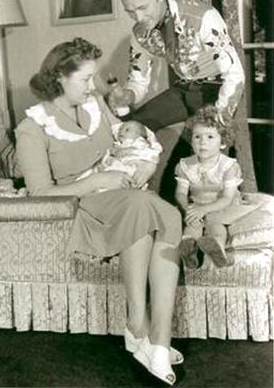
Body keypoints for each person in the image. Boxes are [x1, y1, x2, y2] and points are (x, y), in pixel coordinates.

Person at [15, 37, 183, 385]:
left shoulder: (94, 104)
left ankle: (156, 340)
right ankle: (142, 329)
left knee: (164, 215)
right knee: (149, 209)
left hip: (122, 194)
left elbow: (126, 138)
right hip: (83, 204)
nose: (92, 86)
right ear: (60, 77)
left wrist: (144, 166)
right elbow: (40, 193)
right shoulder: (32, 128)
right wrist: (97, 181)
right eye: (85, 79)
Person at [108, 0, 245, 132]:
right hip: (183, 89)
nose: (138, 18)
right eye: (130, 11)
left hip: (215, 89)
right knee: (133, 127)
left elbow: (234, 75)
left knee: (202, 147)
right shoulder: (139, 33)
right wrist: (127, 96)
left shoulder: (203, 16)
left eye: (143, 7)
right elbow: (138, 81)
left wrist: (218, 118)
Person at [174, 105, 259, 269]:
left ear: (223, 143)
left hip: (222, 205)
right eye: (197, 136)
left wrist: (205, 210)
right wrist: (189, 209)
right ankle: (189, 250)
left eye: (210, 137)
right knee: (192, 225)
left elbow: (227, 198)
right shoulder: (185, 165)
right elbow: (180, 193)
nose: (202, 142)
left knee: (215, 225)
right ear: (191, 141)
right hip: (198, 205)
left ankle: (218, 249)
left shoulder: (228, 166)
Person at [98, 120, 162, 190]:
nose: (121, 132)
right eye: (120, 130)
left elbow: (152, 154)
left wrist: (131, 151)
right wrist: (114, 151)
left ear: (139, 134)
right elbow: (112, 152)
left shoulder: (139, 142)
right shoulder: (118, 143)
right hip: (119, 168)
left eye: (127, 130)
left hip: (134, 167)